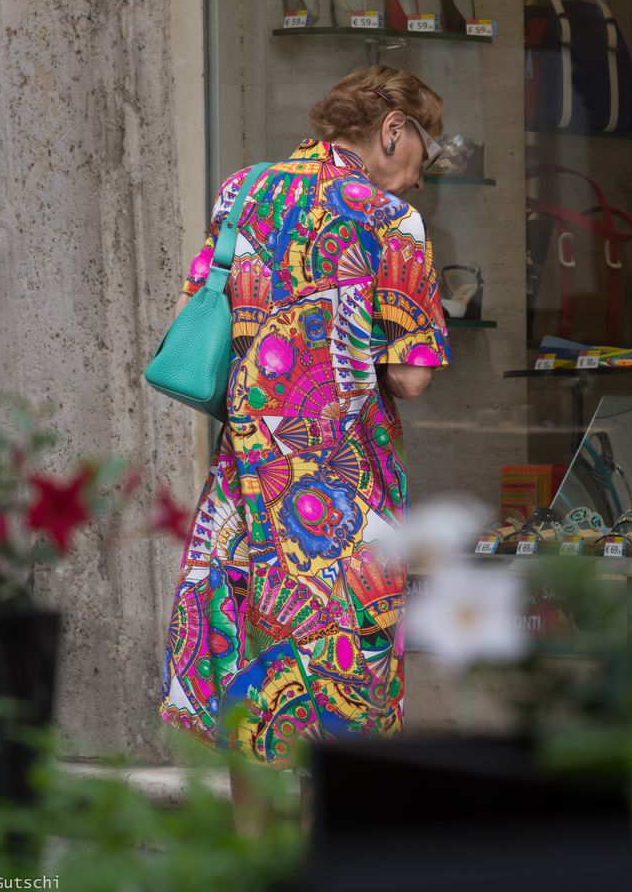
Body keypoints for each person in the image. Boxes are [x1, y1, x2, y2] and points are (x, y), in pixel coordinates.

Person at [158, 63, 450, 835]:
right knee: (343, 703)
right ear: (393, 128)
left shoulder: (241, 192)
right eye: (425, 152)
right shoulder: (390, 219)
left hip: (246, 490)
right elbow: (412, 377)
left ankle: (252, 858)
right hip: (340, 499)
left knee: (251, 689)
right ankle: (331, 865)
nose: (422, 176)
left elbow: (201, 304)